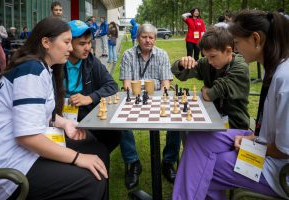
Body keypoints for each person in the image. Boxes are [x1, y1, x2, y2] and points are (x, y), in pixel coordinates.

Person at [173, 9, 289, 200]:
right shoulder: (277, 69)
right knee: (196, 139)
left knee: (201, 167)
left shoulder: (284, 79)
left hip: (276, 166)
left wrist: (250, 143)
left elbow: (284, 150)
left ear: (256, 39)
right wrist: (252, 138)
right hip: (259, 141)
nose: (235, 49)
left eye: (236, 43)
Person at [0, 17, 108, 200]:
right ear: (46, 42)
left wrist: (65, 123)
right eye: (67, 42)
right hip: (9, 166)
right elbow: (27, 137)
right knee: (91, 179)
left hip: (21, 153)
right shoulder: (31, 71)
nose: (70, 48)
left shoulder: (41, 68)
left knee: (96, 148)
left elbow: (38, 113)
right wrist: (77, 158)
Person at [120, 23, 180, 188]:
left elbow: (166, 85)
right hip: (134, 97)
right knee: (121, 123)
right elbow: (126, 85)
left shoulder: (162, 54)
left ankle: (168, 162)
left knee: (177, 121)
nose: (148, 40)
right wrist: (145, 87)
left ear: (155, 38)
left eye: (151, 37)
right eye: (144, 37)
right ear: (138, 37)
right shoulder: (127, 55)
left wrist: (154, 92)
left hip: (158, 98)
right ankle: (133, 163)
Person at [171, 27, 250, 130]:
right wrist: (181, 64)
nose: (209, 61)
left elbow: (210, 94)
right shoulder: (208, 62)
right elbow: (179, 73)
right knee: (183, 125)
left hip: (234, 125)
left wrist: (205, 90)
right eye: (206, 56)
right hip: (210, 117)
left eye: (212, 56)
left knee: (192, 136)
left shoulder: (240, 67)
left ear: (228, 50)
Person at [64, 19, 120, 154]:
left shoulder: (91, 60)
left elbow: (112, 85)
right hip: (60, 118)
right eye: (82, 44)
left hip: (85, 114)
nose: (88, 48)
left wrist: (90, 98)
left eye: (89, 43)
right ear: (68, 44)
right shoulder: (56, 62)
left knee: (115, 134)